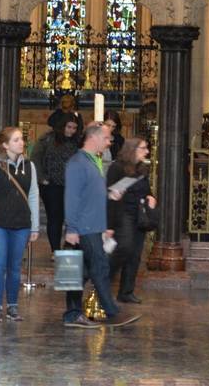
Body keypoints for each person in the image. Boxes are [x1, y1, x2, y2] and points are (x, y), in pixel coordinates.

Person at [62, 122, 138, 328]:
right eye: (106, 138)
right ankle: (113, 313)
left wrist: (109, 194)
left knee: (81, 273)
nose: (109, 142)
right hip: (84, 226)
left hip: (93, 225)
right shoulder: (77, 163)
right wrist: (72, 228)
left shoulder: (91, 161)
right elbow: (72, 197)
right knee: (100, 267)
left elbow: (90, 193)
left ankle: (72, 314)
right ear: (93, 137)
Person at [0, 126, 39, 323]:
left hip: (21, 224)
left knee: (15, 266)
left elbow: (33, 196)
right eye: (16, 140)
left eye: (22, 139)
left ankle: (13, 306)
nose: (21, 143)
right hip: (0, 224)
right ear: (5, 145)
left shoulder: (29, 167)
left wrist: (34, 226)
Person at [106, 135, 156, 303]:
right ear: (132, 149)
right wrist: (109, 224)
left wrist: (151, 197)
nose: (147, 151)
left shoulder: (141, 169)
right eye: (143, 148)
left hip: (139, 215)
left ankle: (126, 292)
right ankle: (104, 279)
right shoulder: (117, 168)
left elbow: (146, 190)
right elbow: (110, 195)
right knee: (125, 248)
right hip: (123, 214)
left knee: (135, 254)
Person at [31, 114, 79, 253]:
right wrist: (42, 178)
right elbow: (35, 158)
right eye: (69, 127)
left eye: (74, 128)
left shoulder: (77, 141)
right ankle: (55, 249)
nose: (71, 131)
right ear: (62, 126)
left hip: (71, 186)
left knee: (71, 218)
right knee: (55, 218)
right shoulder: (47, 139)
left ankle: (69, 246)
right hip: (51, 186)